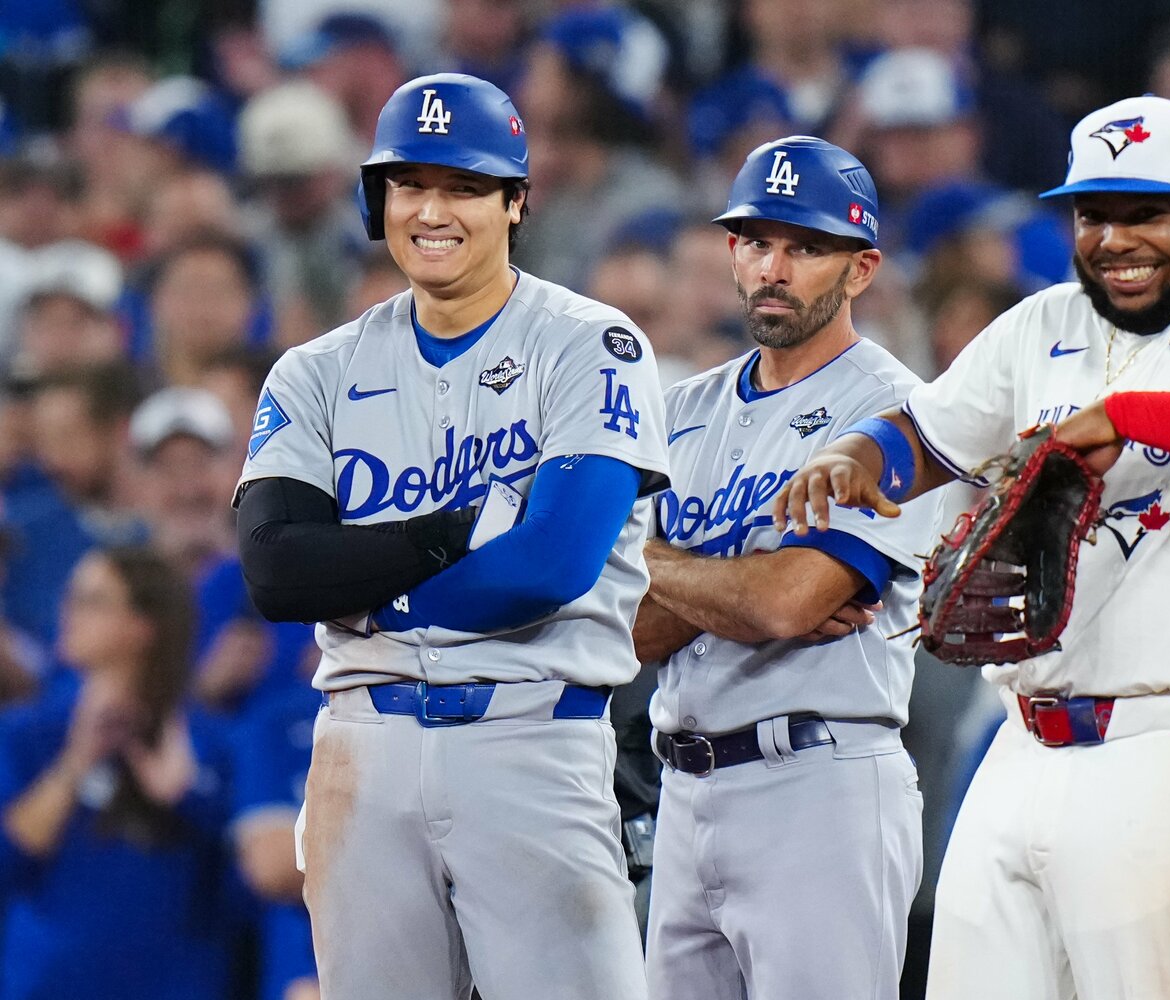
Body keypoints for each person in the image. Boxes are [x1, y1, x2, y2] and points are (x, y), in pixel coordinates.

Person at [775, 94, 1170, 999]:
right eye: (1094, 214)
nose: (1115, 239)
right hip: (1025, 745)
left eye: (1146, 214)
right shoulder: (1042, 323)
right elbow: (927, 435)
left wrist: (1131, 417)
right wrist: (859, 454)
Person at [233, 73, 669, 999]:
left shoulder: (591, 343)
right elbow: (276, 572)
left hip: (532, 742)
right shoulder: (315, 370)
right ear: (377, 200)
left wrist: (365, 585)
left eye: (464, 187)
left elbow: (548, 566)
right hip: (364, 752)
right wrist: (456, 530)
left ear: (515, 203)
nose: (432, 210)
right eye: (409, 185)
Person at [634, 136, 942, 1000]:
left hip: (819, 784)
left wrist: (661, 565)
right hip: (684, 791)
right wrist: (725, 576)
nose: (774, 267)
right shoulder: (682, 408)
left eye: (806, 246)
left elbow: (786, 599)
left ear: (861, 268)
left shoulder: (893, 412)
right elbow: (627, 628)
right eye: (757, 241)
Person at [0, 546, 237, 1000]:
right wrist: (74, 765)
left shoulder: (210, 742)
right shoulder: (28, 734)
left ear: (142, 626)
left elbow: (241, 890)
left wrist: (188, 797)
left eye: (90, 600)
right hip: (48, 985)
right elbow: (7, 861)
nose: (67, 612)